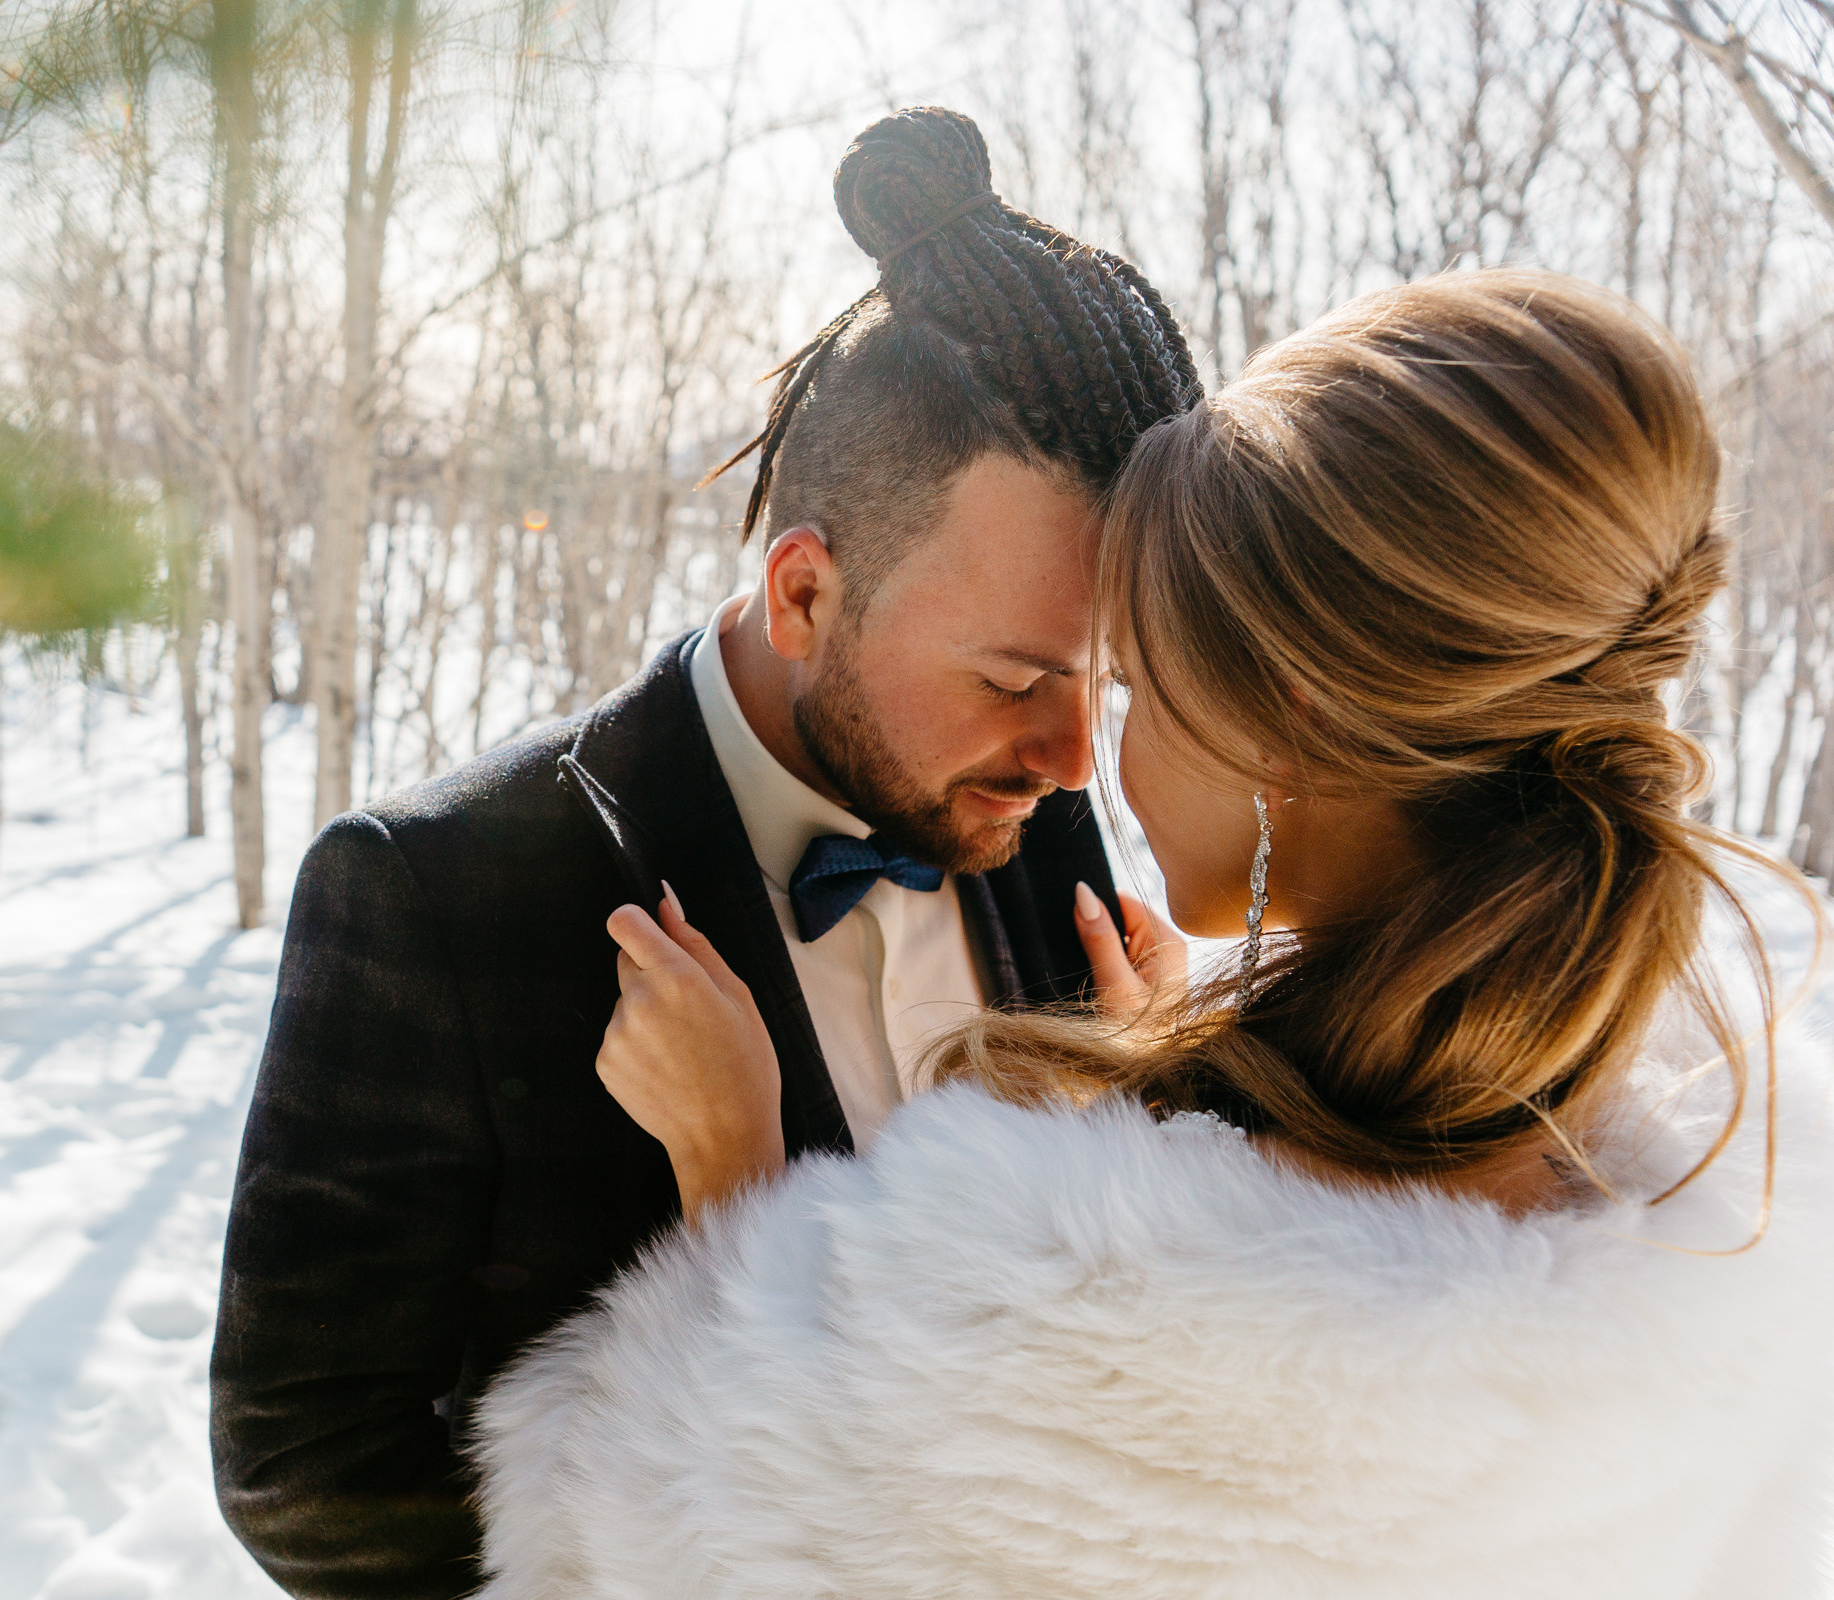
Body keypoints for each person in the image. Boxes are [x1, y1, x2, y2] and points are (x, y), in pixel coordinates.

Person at [469, 270, 1834, 1598]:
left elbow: (674, 1545)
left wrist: (737, 1187)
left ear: (1286, 723)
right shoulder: (1730, 1190)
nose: (1086, 756)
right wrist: (1185, 1108)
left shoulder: (1064, 1333)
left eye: (1130, 681)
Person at [208, 107, 1204, 1598]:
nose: (1075, 760)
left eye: (1104, 680)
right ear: (803, 591)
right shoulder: (435, 893)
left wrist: (1148, 1123)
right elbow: (305, 1471)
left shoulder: (1037, 819)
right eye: (1017, 680)